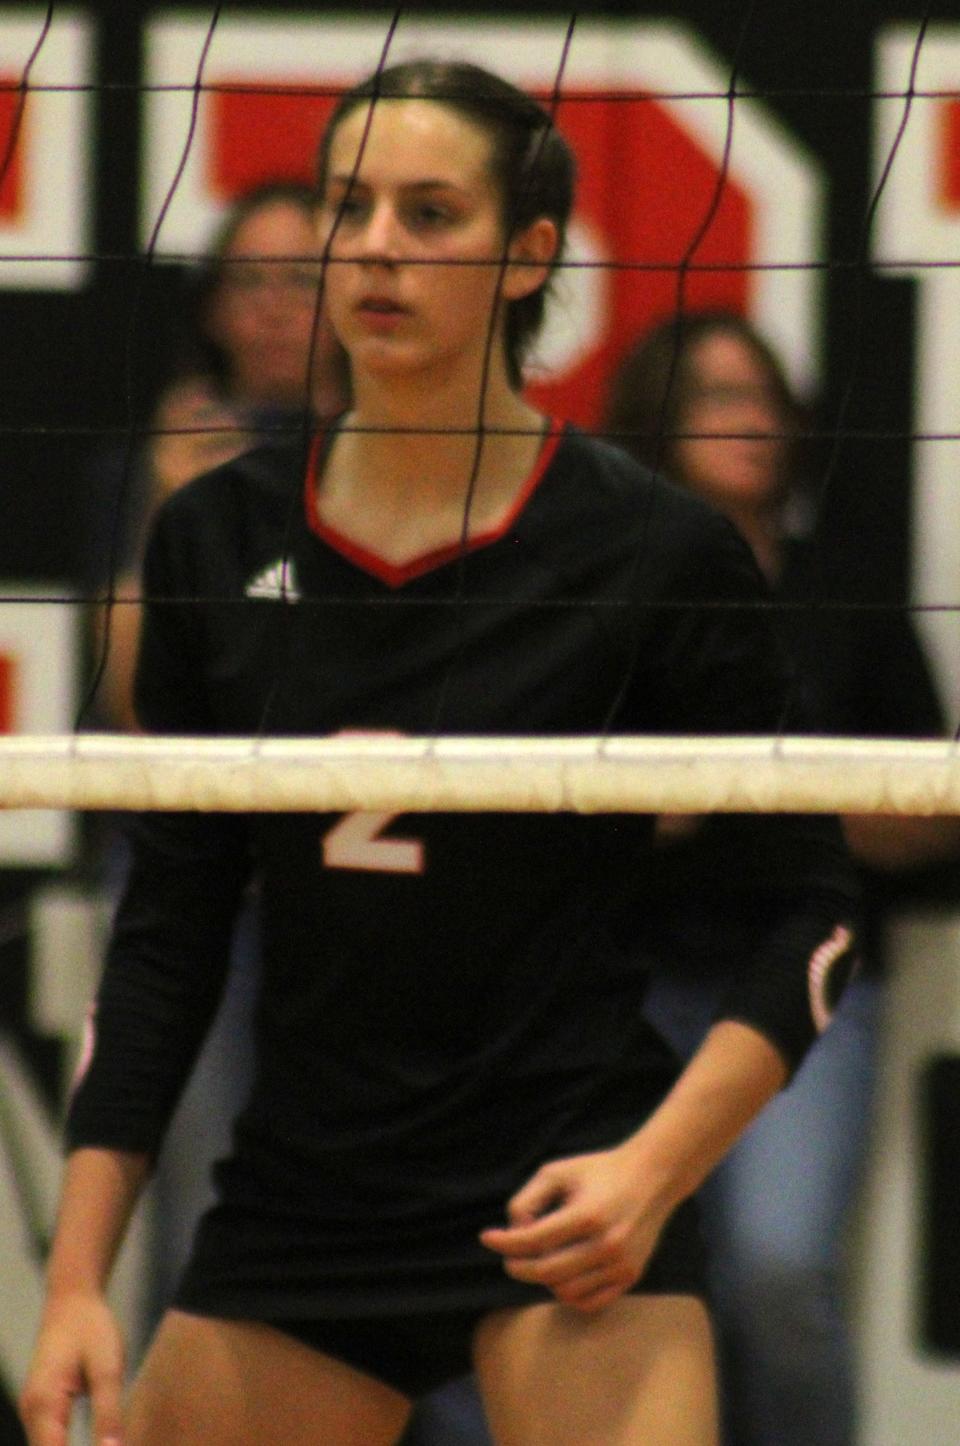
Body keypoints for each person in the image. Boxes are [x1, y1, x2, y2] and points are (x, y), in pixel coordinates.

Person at [20, 62, 858, 1446]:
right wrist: (72, 1282)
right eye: (351, 209)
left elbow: (812, 902)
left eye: (431, 212)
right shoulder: (215, 539)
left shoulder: (649, 548)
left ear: (530, 254)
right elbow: (165, 929)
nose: (378, 251)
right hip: (308, 1192)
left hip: (569, 1183)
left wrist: (657, 1169)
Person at [603, 309, 960, 1446]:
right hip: (628, 990)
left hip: (808, 983)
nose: (750, 420)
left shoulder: (844, 595)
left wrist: (780, 800)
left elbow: (932, 811)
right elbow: (565, 819)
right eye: (714, 397)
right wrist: (667, 810)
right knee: (608, 1279)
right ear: (656, 424)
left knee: (774, 1273)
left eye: (764, 396)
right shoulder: (611, 592)